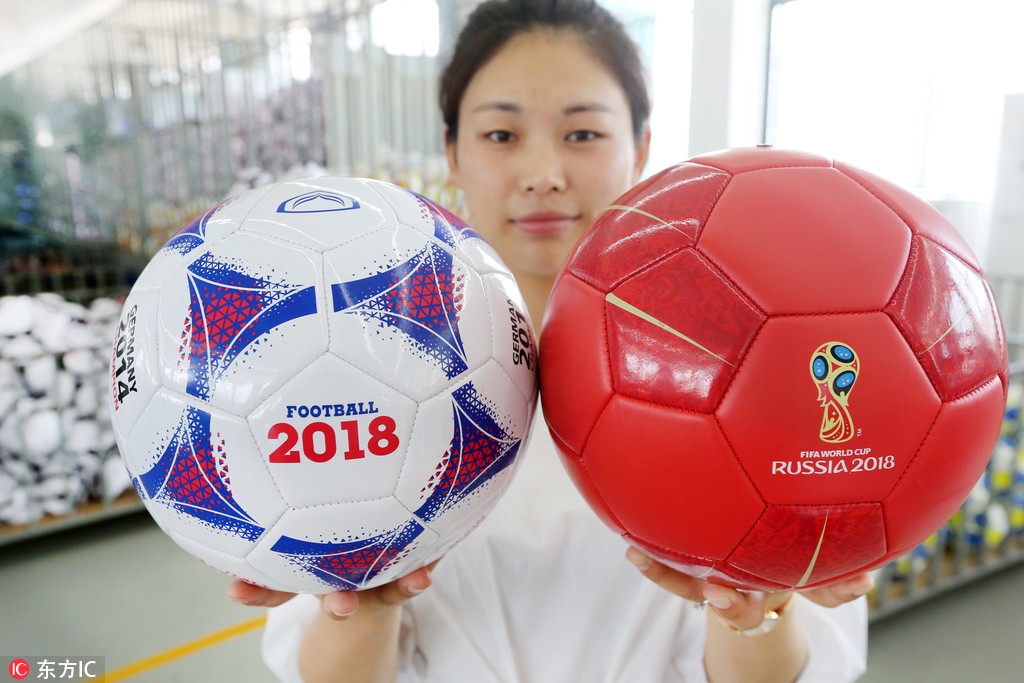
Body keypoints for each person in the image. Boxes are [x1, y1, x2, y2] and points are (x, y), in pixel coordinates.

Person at [229, 1, 871, 681]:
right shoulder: (347, 369)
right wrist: (361, 604)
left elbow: (787, 669)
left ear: (641, 149)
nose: (543, 172)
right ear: (453, 153)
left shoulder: (744, 367)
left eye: (583, 133)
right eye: (501, 134)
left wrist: (756, 607)